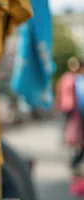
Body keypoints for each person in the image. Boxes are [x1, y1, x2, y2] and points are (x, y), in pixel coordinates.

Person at [56, 57, 84, 196]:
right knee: (75, 135)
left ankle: (75, 159)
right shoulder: (73, 79)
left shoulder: (73, 79)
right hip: (73, 110)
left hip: (74, 111)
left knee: (74, 135)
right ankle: (75, 161)